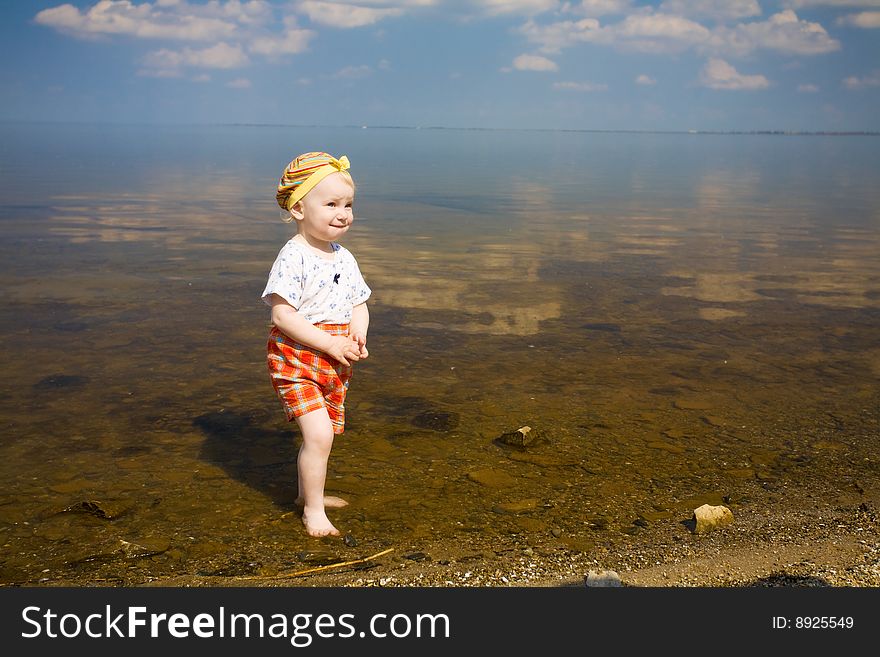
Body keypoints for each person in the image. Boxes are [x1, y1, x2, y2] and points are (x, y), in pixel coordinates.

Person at [261, 151, 371, 537]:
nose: (343, 214)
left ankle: (309, 494)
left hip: (334, 356)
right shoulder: (294, 256)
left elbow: (359, 302)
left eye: (348, 205)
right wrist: (329, 342)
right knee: (319, 434)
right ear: (298, 209)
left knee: (324, 435)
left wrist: (357, 334)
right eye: (331, 204)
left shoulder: (344, 257)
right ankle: (312, 512)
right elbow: (282, 316)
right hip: (295, 358)